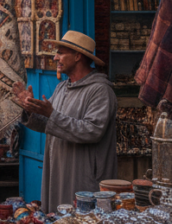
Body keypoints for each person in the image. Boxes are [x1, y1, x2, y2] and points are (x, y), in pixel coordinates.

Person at [14, 31, 117, 213]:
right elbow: (49, 123)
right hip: (58, 168)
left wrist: (51, 114)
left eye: (61, 53)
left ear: (78, 56)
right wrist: (30, 109)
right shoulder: (63, 87)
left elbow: (92, 130)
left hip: (83, 172)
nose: (55, 58)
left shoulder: (100, 91)